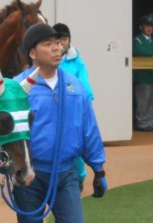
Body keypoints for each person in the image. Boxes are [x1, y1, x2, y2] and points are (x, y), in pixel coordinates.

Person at [13, 23, 107, 223]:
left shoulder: (74, 84)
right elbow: (5, 134)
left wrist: (98, 168)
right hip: (30, 177)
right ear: (32, 53)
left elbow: (88, 128)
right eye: (48, 44)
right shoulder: (18, 89)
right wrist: (13, 167)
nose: (57, 48)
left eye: (58, 43)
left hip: (65, 174)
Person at [53, 22, 94, 191]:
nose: (62, 42)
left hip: (73, 112)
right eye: (59, 39)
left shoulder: (77, 61)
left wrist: (86, 104)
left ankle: (80, 176)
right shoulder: (47, 61)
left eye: (65, 38)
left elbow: (84, 86)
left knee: (75, 147)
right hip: (53, 111)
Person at [133, 14, 153, 132]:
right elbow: (139, 51)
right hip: (142, 76)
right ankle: (142, 123)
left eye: (151, 26)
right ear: (141, 27)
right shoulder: (137, 39)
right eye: (147, 26)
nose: (149, 28)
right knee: (143, 100)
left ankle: (150, 122)